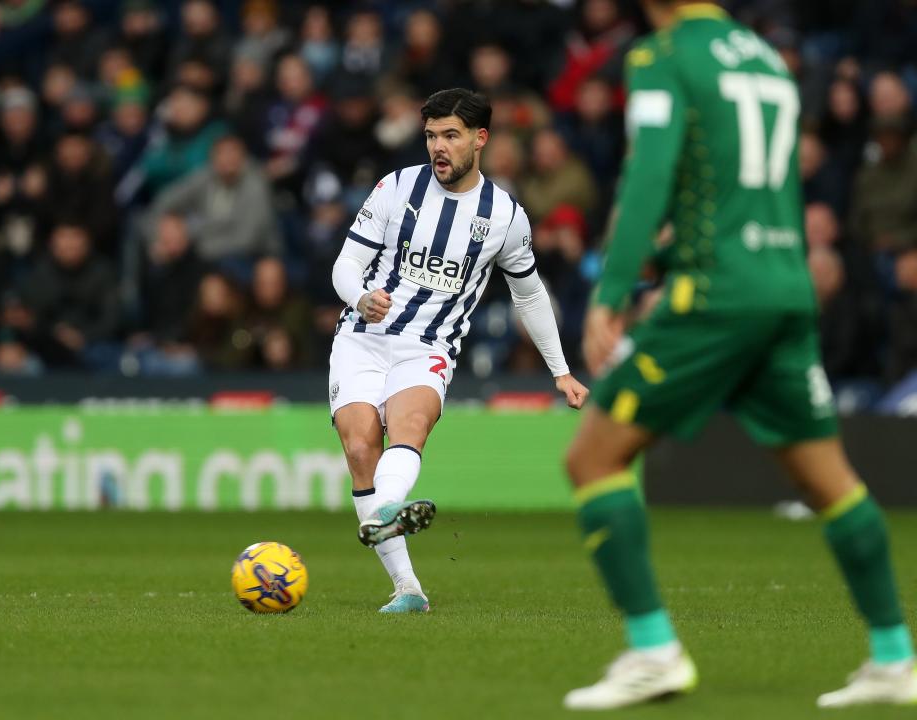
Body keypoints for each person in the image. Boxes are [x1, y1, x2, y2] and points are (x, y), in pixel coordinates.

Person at [561, 1, 916, 711]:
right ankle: (895, 658)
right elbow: (756, 198)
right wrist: (669, 254)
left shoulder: (663, 57)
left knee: (592, 459)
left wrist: (615, 286)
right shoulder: (762, 57)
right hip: (783, 285)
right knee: (829, 480)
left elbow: (649, 175)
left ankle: (653, 650)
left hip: (717, 296)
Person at [330, 88, 589, 613]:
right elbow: (344, 264)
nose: (438, 147)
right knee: (360, 449)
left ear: (480, 139)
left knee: (410, 426)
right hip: (364, 337)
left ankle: (388, 508)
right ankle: (409, 588)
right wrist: (360, 295)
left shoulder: (505, 215)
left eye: (450, 135)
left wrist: (561, 371)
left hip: (429, 346)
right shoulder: (396, 186)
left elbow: (530, 293)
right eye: (430, 135)